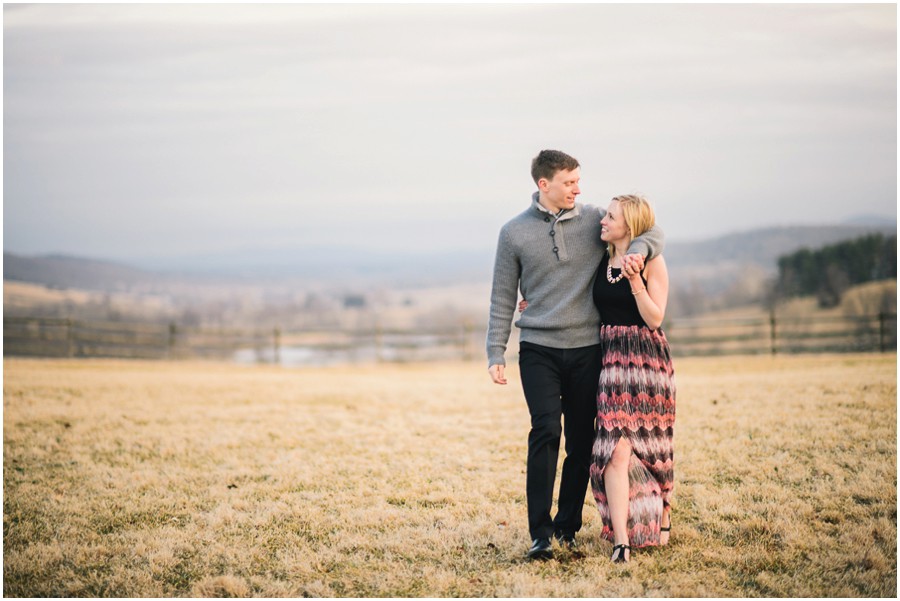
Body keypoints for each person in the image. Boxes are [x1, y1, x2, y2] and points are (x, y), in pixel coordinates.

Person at [486, 150, 664, 561]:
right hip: (538, 349)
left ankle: (567, 527)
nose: (578, 189)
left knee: (582, 442)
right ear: (543, 184)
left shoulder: (594, 221)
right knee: (546, 431)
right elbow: (501, 295)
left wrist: (638, 249)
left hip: (588, 349)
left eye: (578, 181)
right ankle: (541, 535)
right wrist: (496, 350)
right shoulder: (513, 233)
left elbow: (651, 231)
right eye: (569, 182)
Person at [590, 194, 675, 563]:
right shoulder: (600, 260)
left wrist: (636, 279)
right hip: (610, 364)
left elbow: (655, 318)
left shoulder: (653, 262)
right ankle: (621, 540)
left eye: (611, 217)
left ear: (631, 226)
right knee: (615, 448)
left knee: (654, 448)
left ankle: (664, 508)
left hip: (647, 364)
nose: (603, 221)